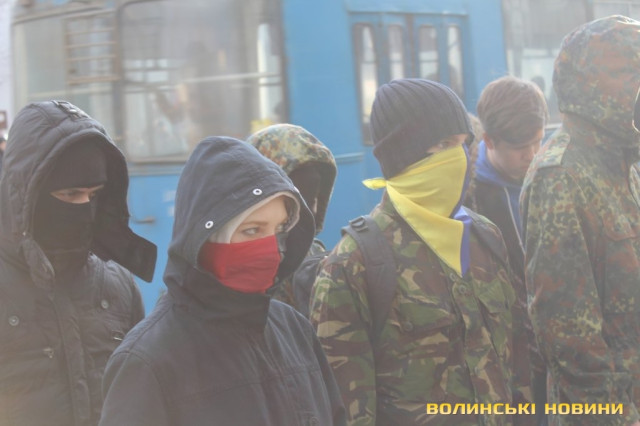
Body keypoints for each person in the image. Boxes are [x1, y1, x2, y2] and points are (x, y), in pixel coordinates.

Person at [311, 78, 535, 425]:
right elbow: (346, 408)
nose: (458, 158)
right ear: (403, 154)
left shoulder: (483, 236)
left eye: (463, 144)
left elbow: (517, 360)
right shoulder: (353, 264)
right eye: (443, 144)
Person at [99, 136, 346, 425]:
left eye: (280, 229)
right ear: (204, 238)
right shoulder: (147, 362)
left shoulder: (295, 330)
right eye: (252, 230)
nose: (271, 248)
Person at [0, 100, 157, 425]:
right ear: (28, 194)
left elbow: (142, 400)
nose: (84, 208)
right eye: (70, 194)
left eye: (93, 195)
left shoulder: (118, 284)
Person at [521, 15, 640, 426]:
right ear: (588, 86)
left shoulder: (623, 163)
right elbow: (567, 337)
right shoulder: (561, 176)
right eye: (628, 74)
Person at [248, 123, 337, 316]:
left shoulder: (315, 256)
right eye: (291, 203)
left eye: (312, 199)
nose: (307, 211)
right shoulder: (242, 261)